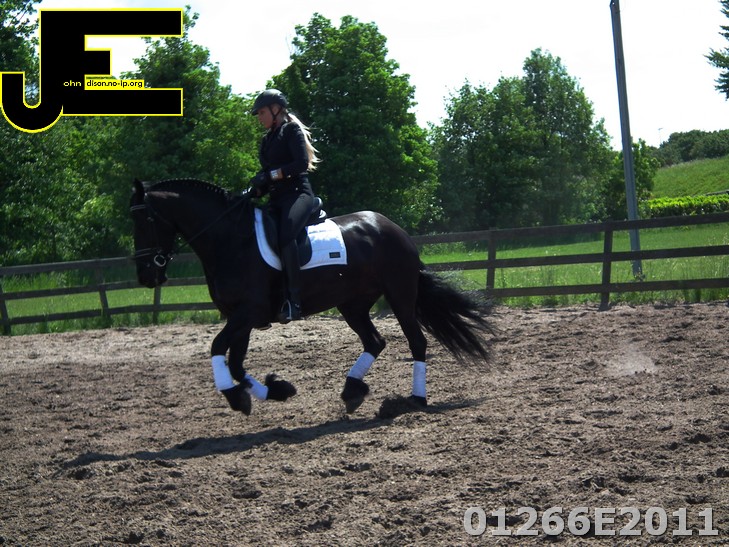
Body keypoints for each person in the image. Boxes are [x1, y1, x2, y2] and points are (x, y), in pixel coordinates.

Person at [249, 89, 320, 323]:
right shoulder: (266, 140)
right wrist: (256, 189)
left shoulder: (291, 130)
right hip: (277, 199)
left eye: (262, 112)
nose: (259, 118)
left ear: (275, 109)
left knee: (286, 233)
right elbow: (266, 175)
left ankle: (294, 301)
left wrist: (270, 175)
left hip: (299, 194)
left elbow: (300, 164)